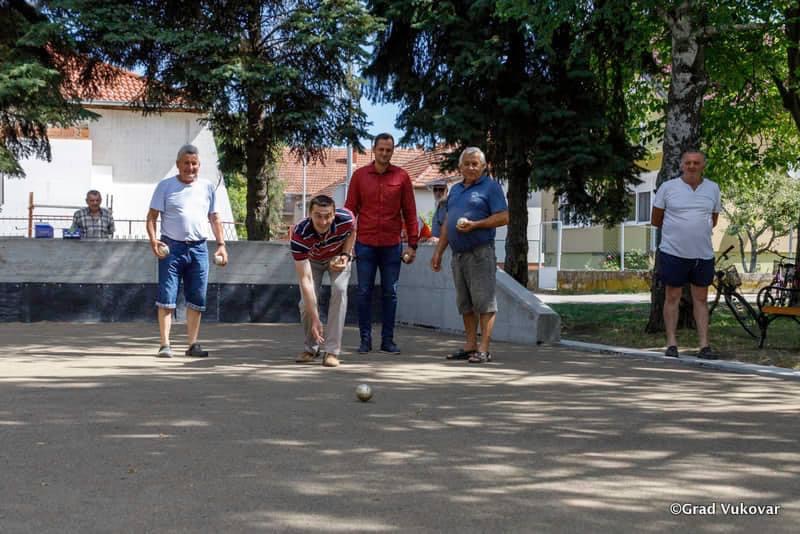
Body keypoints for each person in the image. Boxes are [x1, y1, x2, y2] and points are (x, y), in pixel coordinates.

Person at [146, 144, 228, 359]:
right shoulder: (165, 186)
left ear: (199, 165)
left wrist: (221, 245)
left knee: (197, 297)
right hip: (171, 248)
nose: (190, 168)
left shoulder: (207, 187)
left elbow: (214, 218)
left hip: (199, 248)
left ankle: (192, 344)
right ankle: (165, 344)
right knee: (166, 296)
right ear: (178, 164)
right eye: (186, 163)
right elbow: (152, 217)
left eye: (194, 164)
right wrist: (153, 241)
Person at [430, 147, 509, 364]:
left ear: (483, 167)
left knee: (484, 302)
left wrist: (476, 225)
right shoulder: (455, 190)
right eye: (467, 164)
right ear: (460, 167)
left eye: (475, 164)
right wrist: (438, 252)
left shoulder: (491, 187)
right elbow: (447, 222)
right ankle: (470, 345)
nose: (471, 167)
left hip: (480, 252)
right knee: (465, 303)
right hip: (458, 255)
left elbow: (503, 217)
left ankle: (484, 348)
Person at [345, 133, 418, 354]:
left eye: (389, 150)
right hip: (365, 244)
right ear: (373, 150)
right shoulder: (359, 176)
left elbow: (410, 212)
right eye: (381, 149)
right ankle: (365, 340)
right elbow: (350, 211)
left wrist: (412, 245)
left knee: (390, 293)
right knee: (363, 292)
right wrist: (346, 245)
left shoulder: (402, 177)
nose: (385, 153)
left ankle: (388, 341)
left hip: (391, 246)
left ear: (392, 151)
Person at [651, 150, 721, 360]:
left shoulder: (713, 188)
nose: (692, 166)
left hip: (703, 254)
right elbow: (656, 219)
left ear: (703, 165)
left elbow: (713, 219)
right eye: (688, 162)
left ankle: (704, 346)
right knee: (672, 296)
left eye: (696, 162)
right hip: (673, 252)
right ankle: (672, 344)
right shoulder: (668, 187)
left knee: (701, 299)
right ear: (681, 165)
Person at [290, 195, 356, 368]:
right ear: (309, 214)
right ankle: (311, 348)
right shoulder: (299, 234)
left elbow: (352, 231)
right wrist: (316, 319)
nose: (323, 221)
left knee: (340, 290)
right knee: (306, 304)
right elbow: (305, 280)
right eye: (318, 216)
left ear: (334, 214)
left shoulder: (346, 218)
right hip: (312, 261)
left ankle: (332, 351)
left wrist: (346, 254)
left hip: (337, 257)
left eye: (327, 216)